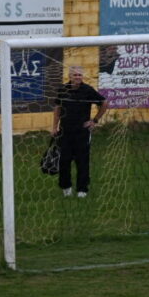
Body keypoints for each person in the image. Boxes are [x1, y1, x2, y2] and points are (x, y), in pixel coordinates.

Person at [51, 65, 108, 198]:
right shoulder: (63, 90)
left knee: (82, 161)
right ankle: (66, 187)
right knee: (64, 160)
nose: (77, 77)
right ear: (69, 76)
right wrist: (54, 127)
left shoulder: (87, 90)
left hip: (82, 132)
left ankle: (82, 190)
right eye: (75, 75)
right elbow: (57, 108)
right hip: (65, 131)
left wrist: (95, 120)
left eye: (79, 75)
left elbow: (104, 103)